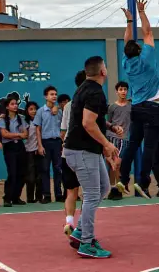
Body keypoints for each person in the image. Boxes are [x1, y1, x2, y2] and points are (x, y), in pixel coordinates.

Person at [64, 56, 121, 259]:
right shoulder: (94, 92)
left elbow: (93, 121)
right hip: (81, 151)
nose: (106, 68)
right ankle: (86, 242)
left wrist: (105, 147)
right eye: (105, 65)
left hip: (88, 150)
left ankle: (80, 231)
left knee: (103, 188)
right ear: (102, 72)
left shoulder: (85, 89)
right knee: (90, 194)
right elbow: (88, 123)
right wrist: (107, 144)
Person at [117, 0, 159, 200]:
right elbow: (148, 32)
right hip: (153, 107)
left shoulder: (126, 63)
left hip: (136, 106)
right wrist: (141, 11)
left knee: (133, 143)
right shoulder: (146, 58)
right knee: (150, 146)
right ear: (139, 50)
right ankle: (142, 183)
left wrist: (129, 21)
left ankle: (122, 178)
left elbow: (128, 40)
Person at [60, 70, 85, 236]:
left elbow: (63, 131)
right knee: (91, 192)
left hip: (67, 152)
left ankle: (69, 221)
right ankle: (84, 227)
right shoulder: (90, 102)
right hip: (84, 153)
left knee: (71, 191)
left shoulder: (68, 105)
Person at [34, 86, 63, 203]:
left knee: (58, 169)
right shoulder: (40, 111)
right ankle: (46, 195)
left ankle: (58, 194)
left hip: (57, 142)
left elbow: (63, 128)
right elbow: (38, 130)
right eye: (51, 94)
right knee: (45, 169)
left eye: (55, 94)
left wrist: (62, 143)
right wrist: (40, 145)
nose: (54, 96)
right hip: (45, 142)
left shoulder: (59, 111)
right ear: (46, 97)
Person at [0, 97, 29, 207]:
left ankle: (16, 197)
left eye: (16, 104)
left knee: (22, 173)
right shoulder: (3, 119)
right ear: (7, 106)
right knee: (12, 173)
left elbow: (25, 134)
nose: (15, 106)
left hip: (20, 147)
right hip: (9, 147)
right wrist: (18, 134)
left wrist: (15, 134)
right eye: (12, 104)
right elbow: (4, 134)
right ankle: (7, 198)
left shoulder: (21, 118)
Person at [106, 81, 131, 190]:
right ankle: (113, 188)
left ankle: (119, 187)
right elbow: (109, 122)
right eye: (121, 89)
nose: (123, 91)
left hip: (124, 139)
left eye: (125, 89)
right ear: (117, 91)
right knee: (112, 165)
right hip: (111, 138)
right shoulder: (112, 107)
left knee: (117, 163)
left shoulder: (131, 106)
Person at [24, 101, 42, 203]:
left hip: (39, 150)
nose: (33, 111)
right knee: (30, 177)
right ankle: (30, 198)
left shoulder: (41, 121)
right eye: (31, 109)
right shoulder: (24, 122)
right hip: (28, 151)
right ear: (27, 111)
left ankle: (39, 197)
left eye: (35, 109)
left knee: (40, 176)